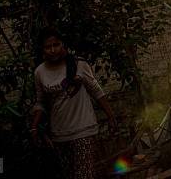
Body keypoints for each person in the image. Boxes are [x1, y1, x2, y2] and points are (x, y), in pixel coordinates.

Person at [31, 28, 118, 179]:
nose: (53, 50)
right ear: (42, 49)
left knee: (84, 175)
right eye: (48, 47)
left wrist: (111, 116)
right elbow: (41, 102)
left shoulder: (78, 64)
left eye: (56, 45)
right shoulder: (40, 72)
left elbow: (97, 91)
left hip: (83, 130)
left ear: (62, 44)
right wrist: (34, 127)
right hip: (59, 135)